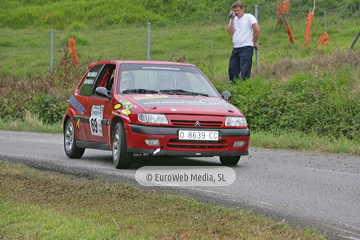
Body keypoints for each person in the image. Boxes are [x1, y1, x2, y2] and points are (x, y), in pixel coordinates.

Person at [227, 1, 260, 82]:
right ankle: (235, 85)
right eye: (234, 11)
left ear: (242, 9)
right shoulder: (233, 19)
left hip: (246, 46)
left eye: (238, 10)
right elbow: (229, 32)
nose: (236, 12)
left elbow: (257, 30)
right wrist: (232, 19)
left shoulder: (249, 17)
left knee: (245, 69)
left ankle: (245, 84)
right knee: (232, 68)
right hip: (236, 48)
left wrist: (253, 42)